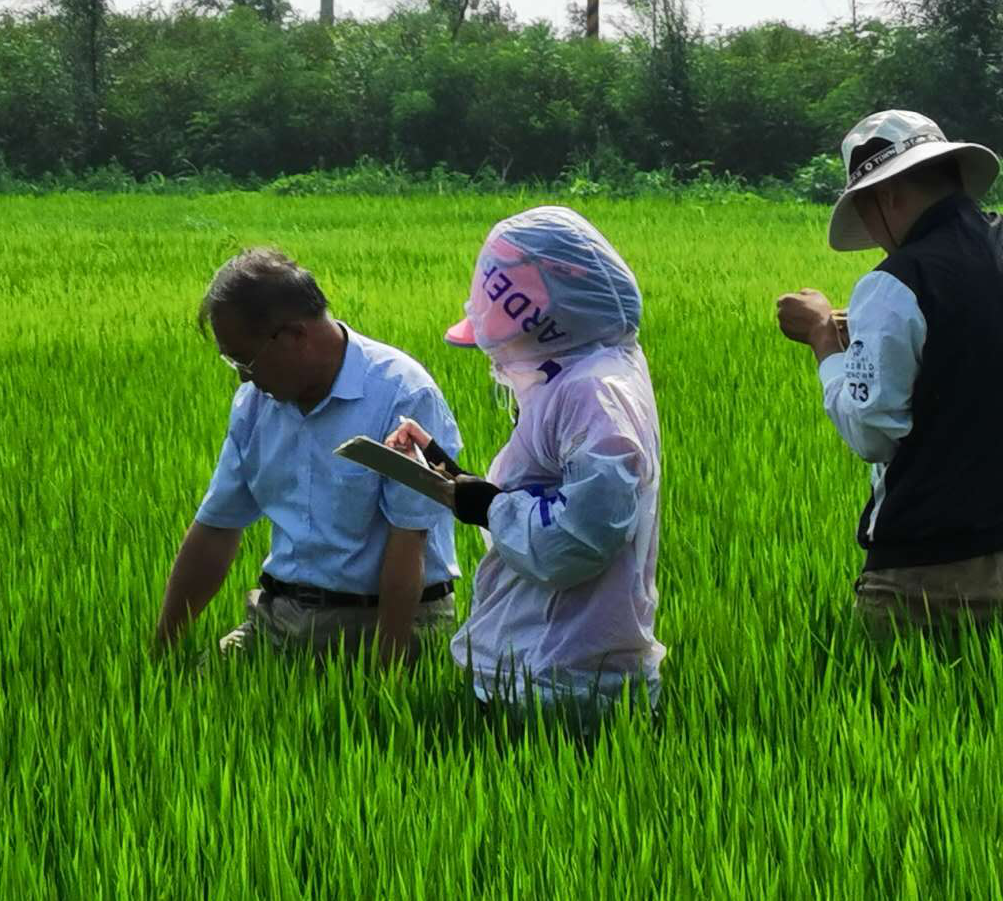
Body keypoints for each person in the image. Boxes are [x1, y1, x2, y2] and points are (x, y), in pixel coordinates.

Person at [775, 110, 1003, 636]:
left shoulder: (896, 282)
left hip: (924, 576)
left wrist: (825, 339)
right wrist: (869, 330)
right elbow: (979, 338)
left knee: (898, 691)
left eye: (866, 211)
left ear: (887, 195)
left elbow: (871, 434)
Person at [385, 206, 664, 719]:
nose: (498, 358)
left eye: (508, 339)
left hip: (562, 680)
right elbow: (538, 500)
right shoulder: (581, 378)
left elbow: (579, 539)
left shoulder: (591, 392)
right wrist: (450, 474)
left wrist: (488, 507)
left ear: (545, 324)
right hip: (538, 668)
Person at [153, 247, 462, 666]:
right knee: (193, 687)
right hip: (279, 619)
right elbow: (216, 529)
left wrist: (388, 673)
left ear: (295, 336)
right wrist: (162, 652)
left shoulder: (402, 394)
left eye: (246, 360)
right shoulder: (255, 404)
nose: (243, 375)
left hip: (387, 621)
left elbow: (409, 540)